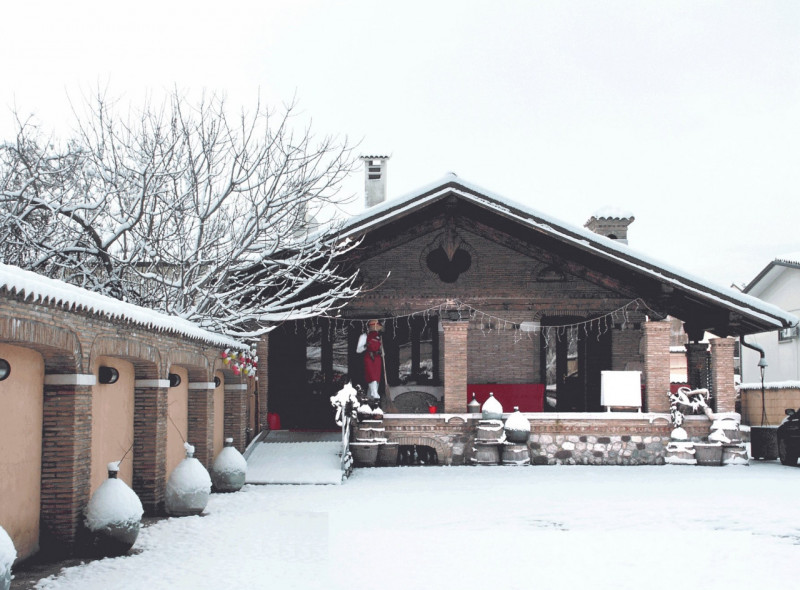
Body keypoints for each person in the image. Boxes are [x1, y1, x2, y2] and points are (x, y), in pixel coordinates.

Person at [356, 319, 383, 401]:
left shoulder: (379, 337)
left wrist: (381, 352)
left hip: (377, 359)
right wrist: (365, 346)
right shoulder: (364, 336)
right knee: (372, 376)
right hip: (369, 357)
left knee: (377, 377)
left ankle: (372, 398)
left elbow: (382, 350)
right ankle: (374, 393)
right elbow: (358, 350)